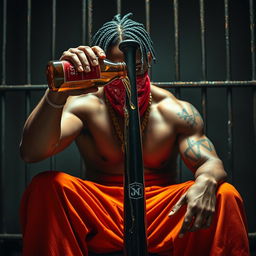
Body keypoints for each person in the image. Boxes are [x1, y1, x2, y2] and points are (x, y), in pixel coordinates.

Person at [19, 13, 249, 256]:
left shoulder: (173, 111)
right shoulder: (85, 107)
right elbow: (31, 152)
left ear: (148, 60)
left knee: (224, 194)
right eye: (115, 70)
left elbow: (209, 162)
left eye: (134, 68)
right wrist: (56, 93)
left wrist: (207, 180)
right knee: (46, 187)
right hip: (103, 214)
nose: (125, 77)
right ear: (100, 66)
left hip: (159, 215)